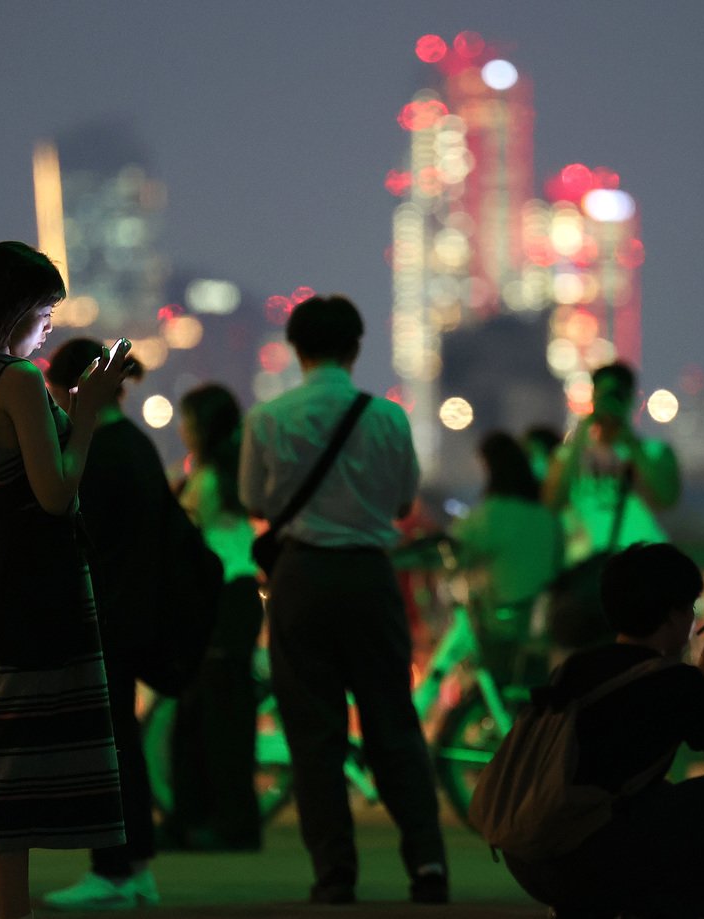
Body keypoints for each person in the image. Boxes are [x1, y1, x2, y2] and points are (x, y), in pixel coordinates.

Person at [0, 242, 129, 919]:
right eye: (45, 309)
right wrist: (91, 411)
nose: (50, 324)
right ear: (17, 307)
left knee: (1, 754)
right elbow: (55, 492)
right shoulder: (15, 378)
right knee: (14, 765)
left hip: (1, 580)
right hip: (39, 587)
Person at [238, 294, 447, 905]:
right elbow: (405, 503)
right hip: (370, 578)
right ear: (356, 348)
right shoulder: (387, 418)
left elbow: (255, 501)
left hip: (300, 582)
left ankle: (335, 875)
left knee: (313, 734)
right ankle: (428, 865)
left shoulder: (269, 418)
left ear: (295, 349)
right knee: (394, 725)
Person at [498, 542, 704, 919]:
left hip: (529, 855)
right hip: (587, 861)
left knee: (649, 793)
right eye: (691, 609)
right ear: (674, 616)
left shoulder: (574, 668)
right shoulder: (678, 682)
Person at [39, 338, 164, 910]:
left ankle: (112, 869)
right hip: (136, 615)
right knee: (124, 743)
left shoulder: (97, 450)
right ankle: (134, 869)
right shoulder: (138, 445)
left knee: (104, 746)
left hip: (101, 615)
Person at [169, 383, 264, 851]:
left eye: (187, 421)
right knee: (225, 715)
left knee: (216, 717)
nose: (183, 430)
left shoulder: (208, 479)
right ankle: (223, 817)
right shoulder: (237, 473)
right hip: (239, 597)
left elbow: (185, 539)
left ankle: (225, 821)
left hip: (221, 599)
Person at [543, 362, 681, 565]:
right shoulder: (566, 456)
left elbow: (667, 498)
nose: (610, 402)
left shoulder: (655, 452)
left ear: (632, 398)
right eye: (604, 394)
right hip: (585, 570)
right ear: (593, 396)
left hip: (641, 565)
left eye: (618, 395)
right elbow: (552, 503)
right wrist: (581, 434)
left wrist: (631, 444)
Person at [452, 431, 562, 684]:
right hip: (540, 629)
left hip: (500, 627)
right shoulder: (545, 516)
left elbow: (454, 547)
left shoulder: (492, 515)